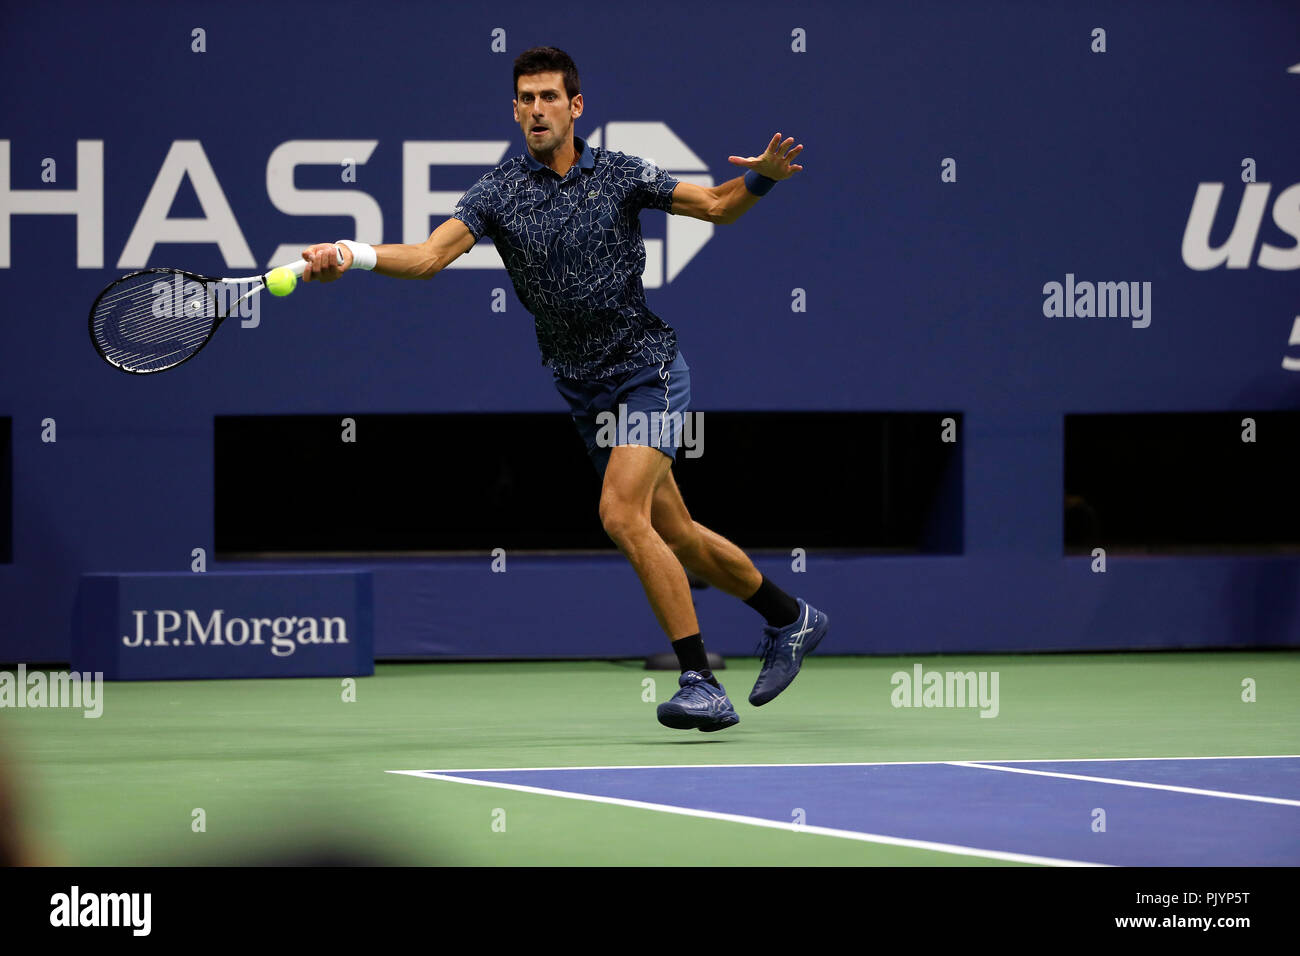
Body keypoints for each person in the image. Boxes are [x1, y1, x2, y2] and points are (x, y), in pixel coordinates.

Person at [300, 46, 827, 732]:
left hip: (648, 370)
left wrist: (761, 180)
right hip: (584, 393)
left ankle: (699, 678)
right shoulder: (498, 193)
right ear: (515, 110)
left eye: (550, 97)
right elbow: (428, 257)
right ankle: (792, 619)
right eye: (526, 98)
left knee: (619, 514)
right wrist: (352, 253)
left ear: (576, 107)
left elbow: (719, 207)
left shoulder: (620, 174)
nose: (537, 109)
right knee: (679, 535)